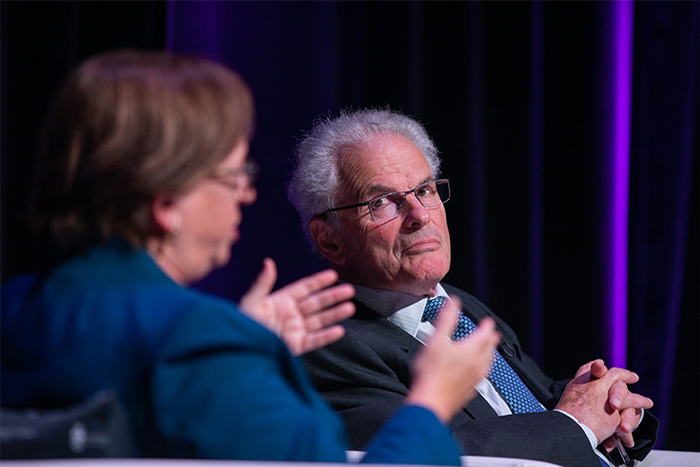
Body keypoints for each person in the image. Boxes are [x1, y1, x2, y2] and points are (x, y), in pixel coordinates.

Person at [0, 51, 501, 463]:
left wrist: (245, 346)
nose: (245, 195)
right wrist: (433, 403)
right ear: (166, 206)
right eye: (234, 175)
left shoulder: (16, 308)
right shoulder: (195, 339)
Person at [287, 108, 659, 467]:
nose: (419, 215)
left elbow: (533, 404)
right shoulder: (328, 346)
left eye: (426, 190)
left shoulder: (461, 307)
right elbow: (430, 455)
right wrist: (576, 424)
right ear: (330, 240)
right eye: (383, 202)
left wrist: (607, 403)